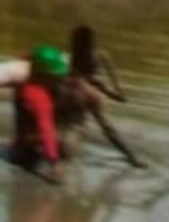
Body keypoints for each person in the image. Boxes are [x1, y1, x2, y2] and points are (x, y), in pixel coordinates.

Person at [60, 30, 147, 168]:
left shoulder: (72, 57)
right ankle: (132, 158)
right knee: (108, 128)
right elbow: (113, 77)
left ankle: (61, 156)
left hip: (77, 94)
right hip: (93, 94)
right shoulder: (101, 55)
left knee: (74, 125)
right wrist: (116, 92)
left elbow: (74, 78)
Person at [10, 45, 67, 184]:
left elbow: (30, 55)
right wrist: (54, 163)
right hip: (29, 153)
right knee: (64, 143)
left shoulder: (23, 85)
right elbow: (46, 128)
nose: (60, 80)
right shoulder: (39, 98)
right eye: (56, 76)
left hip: (18, 146)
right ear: (44, 76)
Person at [70, 25, 126, 102]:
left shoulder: (75, 56)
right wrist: (117, 89)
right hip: (96, 86)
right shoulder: (101, 54)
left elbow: (76, 75)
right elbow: (113, 74)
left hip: (81, 86)